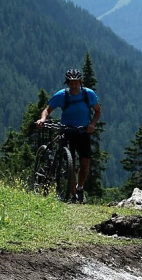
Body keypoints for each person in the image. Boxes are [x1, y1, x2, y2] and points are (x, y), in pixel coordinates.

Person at [35, 68, 102, 204]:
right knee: (70, 164)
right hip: (67, 131)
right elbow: (47, 110)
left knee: (85, 164)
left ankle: (80, 188)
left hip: (83, 132)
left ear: (80, 82)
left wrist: (92, 124)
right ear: (67, 83)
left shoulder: (88, 94)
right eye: (71, 83)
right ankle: (73, 196)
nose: (74, 85)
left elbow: (98, 111)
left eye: (76, 82)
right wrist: (42, 119)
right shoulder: (62, 95)